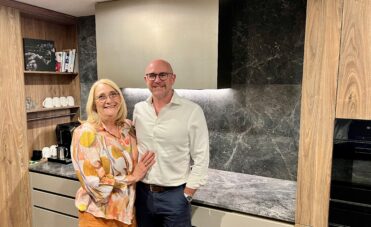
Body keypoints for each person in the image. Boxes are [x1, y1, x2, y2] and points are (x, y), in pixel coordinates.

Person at [133, 59, 209, 227]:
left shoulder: (192, 111)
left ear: (173, 78)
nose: (157, 80)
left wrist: (187, 194)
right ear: (146, 79)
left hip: (175, 195)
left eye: (163, 75)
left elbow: (201, 157)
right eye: (152, 75)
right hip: (142, 194)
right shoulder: (139, 109)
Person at [71, 79, 155, 227]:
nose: (109, 100)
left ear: (120, 99)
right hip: (98, 217)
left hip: (128, 215)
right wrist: (133, 177)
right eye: (101, 97)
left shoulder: (127, 127)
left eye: (113, 94)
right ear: (94, 104)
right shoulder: (85, 133)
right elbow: (95, 184)